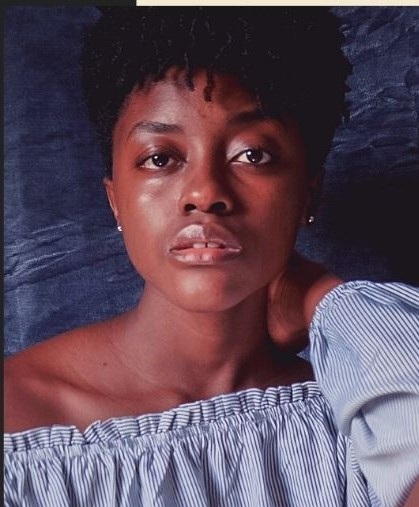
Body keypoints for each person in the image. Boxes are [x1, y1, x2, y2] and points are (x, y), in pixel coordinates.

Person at [4, 7, 419, 507]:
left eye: (253, 155)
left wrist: (326, 299)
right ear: (115, 200)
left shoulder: (363, 415)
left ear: (309, 194)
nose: (205, 193)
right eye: (161, 158)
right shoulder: (17, 423)